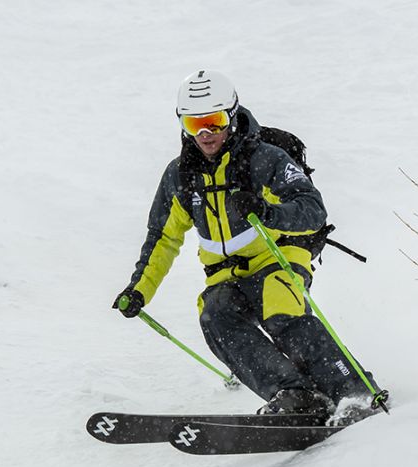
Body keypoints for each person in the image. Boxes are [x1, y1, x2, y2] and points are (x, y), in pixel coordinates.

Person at [112, 69, 380, 416]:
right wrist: (139, 291)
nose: (205, 134)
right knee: (216, 316)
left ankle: (354, 391)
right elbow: (162, 238)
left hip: (278, 257)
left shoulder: (263, 159)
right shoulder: (180, 176)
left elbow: (312, 210)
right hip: (225, 275)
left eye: (213, 120)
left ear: (232, 115)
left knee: (280, 306)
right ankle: (297, 396)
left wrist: (267, 211)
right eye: (194, 125)